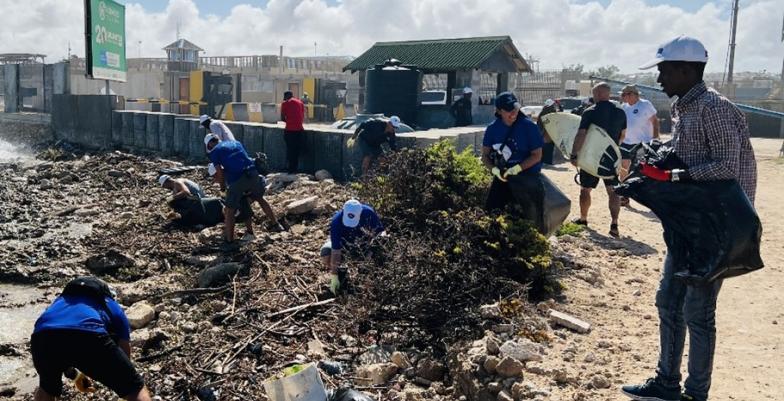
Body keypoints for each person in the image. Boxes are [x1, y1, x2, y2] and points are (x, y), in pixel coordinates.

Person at [620, 35, 757, 401]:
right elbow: (688, 152)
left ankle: (696, 394)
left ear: (686, 69)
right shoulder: (686, 108)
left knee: (698, 312)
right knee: (668, 301)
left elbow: (726, 166)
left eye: (664, 70)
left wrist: (674, 176)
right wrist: (655, 159)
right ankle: (666, 383)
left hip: (715, 228)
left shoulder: (714, 108)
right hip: (688, 223)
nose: (660, 78)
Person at [30, 277, 152, 401]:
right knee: (135, 388)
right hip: (88, 334)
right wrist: (123, 381)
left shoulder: (59, 302)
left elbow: (61, 348)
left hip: (42, 337)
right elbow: (124, 353)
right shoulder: (110, 304)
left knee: (46, 389)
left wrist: (76, 376)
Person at [481, 92, 545, 232]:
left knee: (530, 218)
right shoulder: (492, 129)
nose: (513, 113)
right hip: (503, 177)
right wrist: (494, 170)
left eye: (515, 108)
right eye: (509, 110)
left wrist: (516, 169)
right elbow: (485, 156)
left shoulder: (529, 127)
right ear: (499, 111)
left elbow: (536, 155)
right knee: (492, 214)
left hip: (527, 176)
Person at [570, 82, 627, 237]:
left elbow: (581, 134)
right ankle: (614, 224)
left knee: (585, 189)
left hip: (591, 157)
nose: (593, 97)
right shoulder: (620, 112)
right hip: (611, 157)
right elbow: (623, 135)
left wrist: (575, 154)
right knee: (613, 191)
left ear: (599, 94)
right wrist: (614, 150)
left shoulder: (590, 111)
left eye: (595, 94)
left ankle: (583, 219)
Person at [204, 133, 283, 243]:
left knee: (229, 210)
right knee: (258, 198)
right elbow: (243, 159)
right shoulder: (235, 143)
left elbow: (220, 173)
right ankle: (276, 224)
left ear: (209, 145)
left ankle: (229, 241)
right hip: (253, 173)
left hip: (238, 179)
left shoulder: (215, 152)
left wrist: (222, 189)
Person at [320, 199, 385, 295]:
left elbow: (381, 232)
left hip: (365, 245)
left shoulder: (368, 213)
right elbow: (336, 250)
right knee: (326, 254)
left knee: (384, 242)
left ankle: (373, 275)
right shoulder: (336, 221)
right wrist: (334, 275)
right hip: (345, 246)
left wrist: (372, 250)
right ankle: (342, 275)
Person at [619, 84, 660, 181]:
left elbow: (655, 121)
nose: (623, 97)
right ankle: (623, 191)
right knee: (623, 168)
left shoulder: (645, 104)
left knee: (640, 169)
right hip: (626, 142)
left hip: (642, 143)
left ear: (633, 94)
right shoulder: (623, 107)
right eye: (623, 95)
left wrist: (655, 138)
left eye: (624, 95)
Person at [280, 91, 306, 173]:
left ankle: (291, 169)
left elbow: (282, 118)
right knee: (297, 150)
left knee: (290, 150)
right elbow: (302, 116)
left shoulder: (285, 103)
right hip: (300, 130)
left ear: (286, 96)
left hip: (290, 130)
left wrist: (289, 121)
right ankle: (295, 168)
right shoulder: (300, 102)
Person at [537, 98, 561, 165]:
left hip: (547, 134)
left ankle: (546, 162)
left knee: (548, 148)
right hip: (546, 134)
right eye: (553, 105)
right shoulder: (548, 113)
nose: (554, 106)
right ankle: (546, 162)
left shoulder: (544, 112)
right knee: (547, 148)